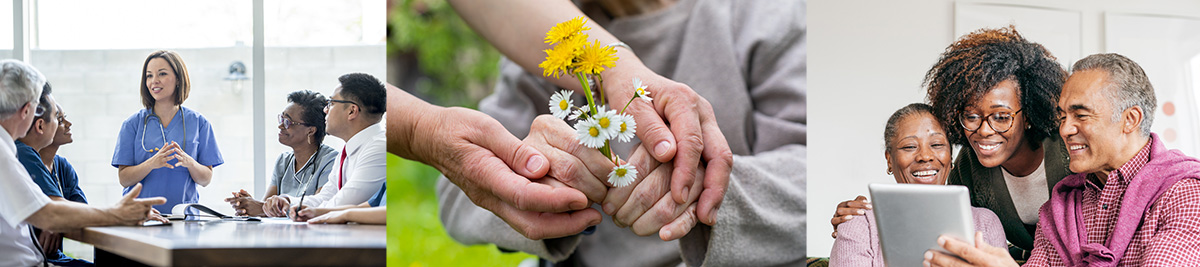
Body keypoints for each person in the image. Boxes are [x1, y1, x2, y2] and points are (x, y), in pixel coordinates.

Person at [437, 0, 806, 265]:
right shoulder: (546, 46)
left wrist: (704, 188)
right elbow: (455, 191)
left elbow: (819, 174)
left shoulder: (765, 16)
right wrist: (532, 179)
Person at [925, 54, 1200, 266]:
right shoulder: (1060, 208)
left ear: (1130, 120)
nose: (1065, 129)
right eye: (1063, 116)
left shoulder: (1185, 196)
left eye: (1080, 115)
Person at [831, 25, 1069, 260]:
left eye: (1001, 117)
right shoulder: (969, 165)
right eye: (971, 116)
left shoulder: (1068, 148)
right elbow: (942, 207)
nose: (984, 130)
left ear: (1026, 115)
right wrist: (857, 216)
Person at [1, 59, 166, 266]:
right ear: (26, 111)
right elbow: (48, 214)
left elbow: (50, 211)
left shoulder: (11, 150)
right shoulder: (6, 153)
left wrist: (57, 217)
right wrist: (119, 213)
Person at [828, 103, 1005, 266]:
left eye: (936, 144)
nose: (925, 156)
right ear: (889, 160)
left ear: (950, 157)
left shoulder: (986, 223)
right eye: (909, 147)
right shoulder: (859, 224)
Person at [112, 50, 224, 212]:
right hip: (141, 216)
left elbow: (205, 179)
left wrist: (189, 162)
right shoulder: (132, 124)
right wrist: (152, 163)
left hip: (183, 216)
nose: (154, 81)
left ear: (178, 79)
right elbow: (124, 179)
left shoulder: (199, 123)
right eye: (149, 76)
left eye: (162, 74)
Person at [262, 73, 386, 218]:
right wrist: (289, 201)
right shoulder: (347, 151)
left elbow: (342, 203)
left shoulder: (379, 148)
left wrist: (302, 210)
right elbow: (326, 196)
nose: (325, 110)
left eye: (331, 103)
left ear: (352, 111)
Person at [225, 90, 337, 217]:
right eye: (281, 119)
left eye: (288, 122)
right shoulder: (283, 161)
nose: (280, 126)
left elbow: (320, 207)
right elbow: (265, 206)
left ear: (310, 131)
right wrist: (248, 205)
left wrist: (260, 208)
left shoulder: (330, 161)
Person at [15, 83, 92, 266]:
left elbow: (79, 209)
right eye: (58, 117)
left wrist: (58, 217)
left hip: (51, 257)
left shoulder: (62, 166)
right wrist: (124, 213)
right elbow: (59, 210)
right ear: (40, 125)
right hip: (36, 259)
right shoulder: (22, 153)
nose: (67, 123)